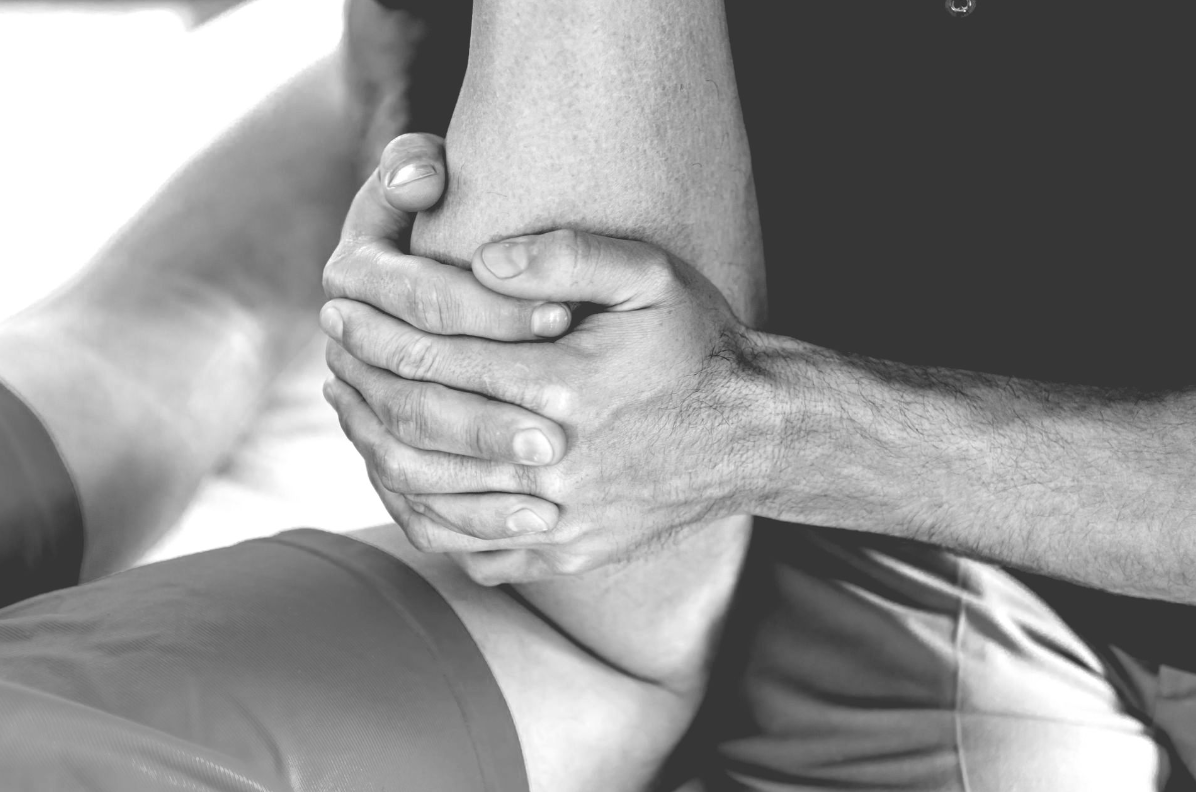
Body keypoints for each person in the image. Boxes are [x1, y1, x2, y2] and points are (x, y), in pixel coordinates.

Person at [323, 0, 1196, 789]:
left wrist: (766, 429)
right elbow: (540, 438)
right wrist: (413, 262)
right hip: (903, 563)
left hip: (856, 457)